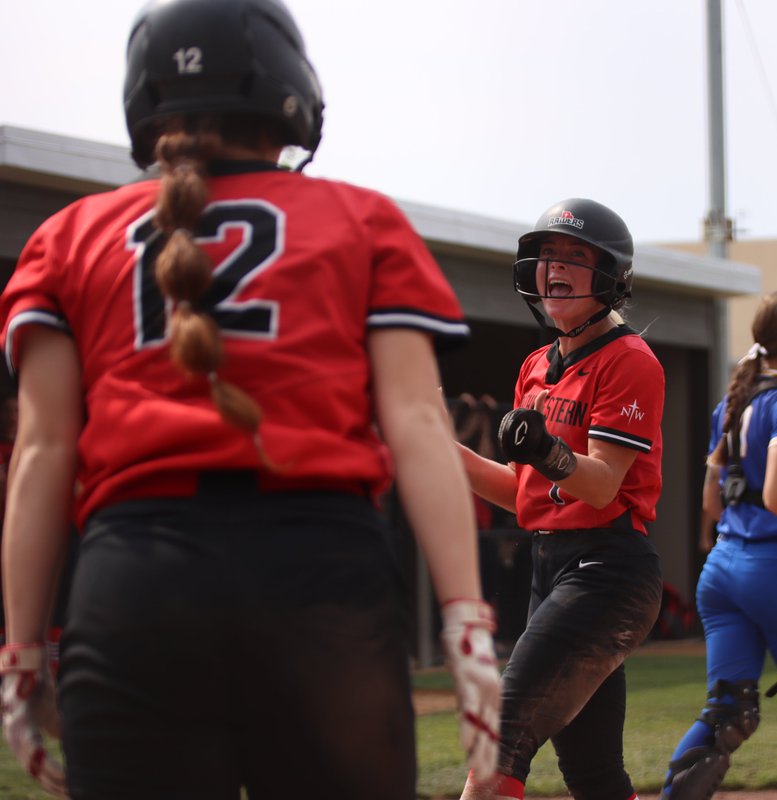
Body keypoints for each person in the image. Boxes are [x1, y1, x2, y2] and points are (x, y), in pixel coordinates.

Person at [0, 1, 500, 797]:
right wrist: (466, 617)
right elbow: (416, 424)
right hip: (318, 581)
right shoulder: (362, 218)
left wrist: (22, 651)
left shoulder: (66, 237)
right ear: (287, 89)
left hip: (135, 582)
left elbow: (43, 452)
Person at [455, 198, 664, 800]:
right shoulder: (535, 368)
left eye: (575, 255)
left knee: (500, 740)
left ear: (611, 276)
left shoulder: (629, 360)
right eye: (547, 255)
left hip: (610, 572)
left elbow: (601, 485)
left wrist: (548, 452)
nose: (555, 268)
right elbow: (525, 498)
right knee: (594, 774)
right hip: (552, 569)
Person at [660, 290, 777, 800]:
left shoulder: (734, 401)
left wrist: (747, 543)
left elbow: (711, 501)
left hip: (722, 570)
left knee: (727, 714)